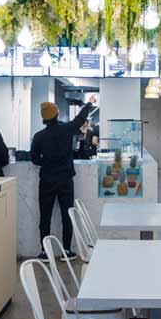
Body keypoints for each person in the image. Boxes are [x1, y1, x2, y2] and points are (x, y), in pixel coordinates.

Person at [30, 94, 97, 259]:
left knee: (45, 216)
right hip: (66, 180)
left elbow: (34, 159)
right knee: (67, 215)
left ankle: (45, 252)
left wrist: (46, 162)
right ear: (56, 114)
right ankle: (67, 250)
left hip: (46, 181)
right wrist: (89, 103)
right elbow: (80, 119)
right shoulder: (67, 129)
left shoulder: (39, 136)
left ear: (43, 118)